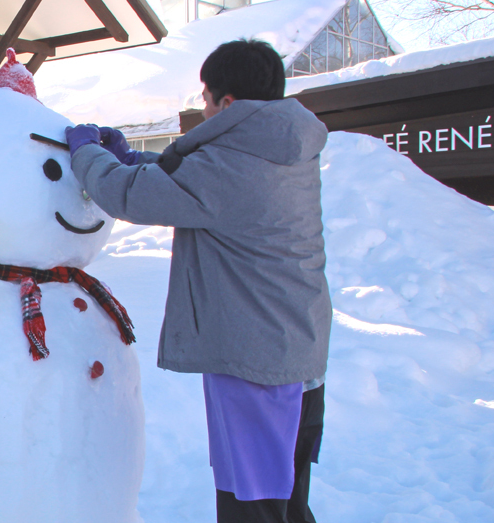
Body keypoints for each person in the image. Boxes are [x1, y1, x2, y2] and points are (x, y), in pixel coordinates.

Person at [65, 39, 330, 523]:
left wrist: (85, 155)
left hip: (257, 369)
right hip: (296, 356)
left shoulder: (233, 166)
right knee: (286, 504)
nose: (202, 110)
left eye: (205, 98)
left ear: (227, 104)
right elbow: (191, 182)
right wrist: (133, 159)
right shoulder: (280, 147)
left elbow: (132, 196)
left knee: (254, 509)